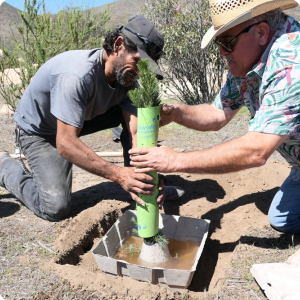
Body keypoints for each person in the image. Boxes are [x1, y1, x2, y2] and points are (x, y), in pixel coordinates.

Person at [129, 0, 300, 235]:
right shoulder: (247, 61)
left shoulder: (291, 61)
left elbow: (257, 150)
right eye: (219, 42)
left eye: (227, 41)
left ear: (261, 32)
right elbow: (218, 113)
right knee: (282, 220)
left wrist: (174, 161)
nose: (221, 51)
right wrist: (177, 112)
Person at [0, 15, 184, 222]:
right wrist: (119, 175)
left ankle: (138, 185)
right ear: (118, 45)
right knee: (55, 208)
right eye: (138, 62)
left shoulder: (126, 77)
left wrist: (147, 176)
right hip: (40, 131)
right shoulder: (76, 76)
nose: (139, 73)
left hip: (79, 119)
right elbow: (66, 143)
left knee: (135, 114)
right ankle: (5, 167)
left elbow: (136, 131)